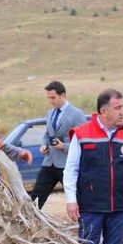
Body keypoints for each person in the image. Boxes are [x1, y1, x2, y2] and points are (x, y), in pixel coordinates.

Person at [63, 89, 123, 244]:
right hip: (91, 206)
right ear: (104, 111)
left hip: (118, 206)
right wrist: (71, 200)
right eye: (118, 107)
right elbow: (71, 170)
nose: (122, 112)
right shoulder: (82, 134)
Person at [31, 81, 88, 209]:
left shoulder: (76, 114)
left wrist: (64, 146)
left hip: (67, 164)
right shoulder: (50, 113)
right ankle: (28, 225)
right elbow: (47, 134)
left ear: (62, 95)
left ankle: (86, 226)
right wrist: (44, 145)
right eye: (49, 98)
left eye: (53, 98)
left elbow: (85, 140)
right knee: (36, 197)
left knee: (78, 199)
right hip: (49, 162)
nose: (51, 101)